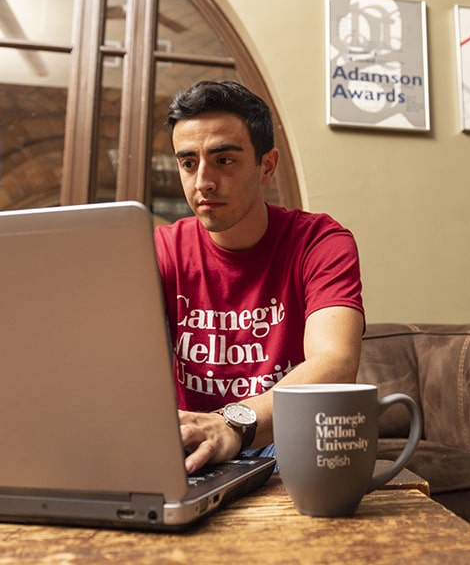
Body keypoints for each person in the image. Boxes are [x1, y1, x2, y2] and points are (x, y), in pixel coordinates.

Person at [154, 80, 365, 474]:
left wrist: (231, 423)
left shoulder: (320, 242)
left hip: (285, 440)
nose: (202, 182)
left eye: (224, 160)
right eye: (188, 163)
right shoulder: (160, 250)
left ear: (266, 166)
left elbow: (335, 362)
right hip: (194, 442)